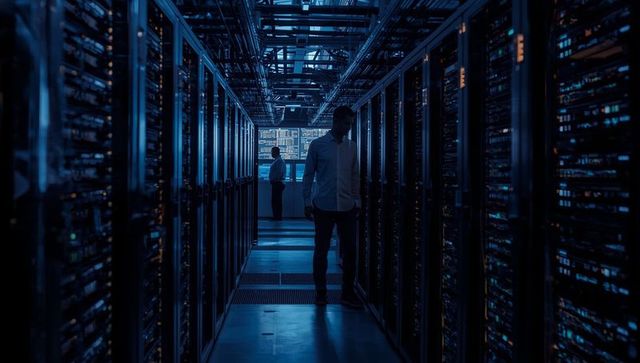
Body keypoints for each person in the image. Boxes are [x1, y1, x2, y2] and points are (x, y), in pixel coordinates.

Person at [302, 105, 362, 308]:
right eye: (346, 123)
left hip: (347, 206)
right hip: (323, 206)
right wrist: (307, 202)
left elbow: (355, 175)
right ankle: (320, 293)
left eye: (350, 123)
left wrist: (357, 200)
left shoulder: (352, 147)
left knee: (351, 251)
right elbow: (308, 174)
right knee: (321, 251)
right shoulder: (317, 145)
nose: (348, 127)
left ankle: (347, 293)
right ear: (335, 121)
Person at [269, 146, 286, 220]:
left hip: (277, 183)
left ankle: (277, 217)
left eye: (272, 152)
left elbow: (279, 173)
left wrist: (273, 179)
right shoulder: (278, 160)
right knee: (276, 201)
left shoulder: (279, 161)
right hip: (277, 183)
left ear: (275, 152)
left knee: (276, 201)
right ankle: (276, 216)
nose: (271, 153)